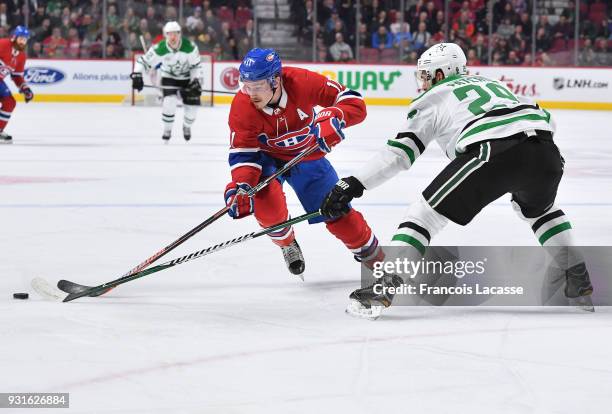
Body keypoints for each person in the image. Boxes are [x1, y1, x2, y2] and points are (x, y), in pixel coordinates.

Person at [321, 42, 594, 319]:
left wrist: (353, 183)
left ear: (441, 74)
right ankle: (579, 281)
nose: (424, 83)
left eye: (426, 76)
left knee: (423, 215)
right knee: (540, 211)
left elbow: (400, 154)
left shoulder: (434, 97)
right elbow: (544, 119)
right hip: (546, 150)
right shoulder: (493, 84)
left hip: (493, 150)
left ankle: (383, 289)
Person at [225, 48, 381, 279]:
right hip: (267, 160)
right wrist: (242, 186)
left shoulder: (302, 81)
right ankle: (287, 243)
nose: (251, 93)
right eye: (247, 86)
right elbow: (244, 153)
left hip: (307, 155)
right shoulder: (242, 106)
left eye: (257, 86)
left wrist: (335, 116)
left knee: (337, 210)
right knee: (267, 207)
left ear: (275, 80)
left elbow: (354, 102)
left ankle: (376, 259)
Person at [131, 21, 203, 142]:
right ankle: (167, 129)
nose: (172, 37)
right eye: (169, 34)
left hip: (187, 78)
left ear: (180, 34)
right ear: (165, 35)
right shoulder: (160, 48)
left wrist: (196, 80)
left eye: (175, 34)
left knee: (192, 109)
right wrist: (137, 74)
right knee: (169, 102)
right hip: (169, 78)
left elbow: (196, 66)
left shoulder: (190, 47)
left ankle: (187, 126)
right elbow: (143, 62)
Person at [0, 26, 34, 144]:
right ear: (14, 37)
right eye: (21, 38)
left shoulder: (21, 56)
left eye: (25, 39)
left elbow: (17, 76)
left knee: (10, 102)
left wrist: (25, 88)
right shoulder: (2, 44)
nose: (23, 42)